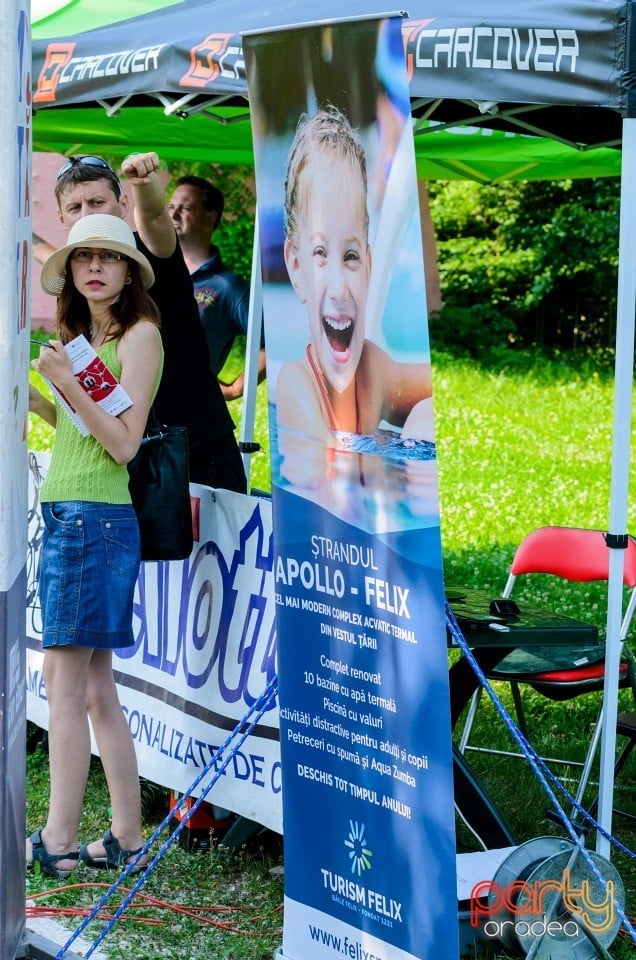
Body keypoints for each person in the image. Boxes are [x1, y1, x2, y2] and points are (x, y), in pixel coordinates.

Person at [26, 214, 163, 878]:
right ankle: (129, 837)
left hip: (93, 519)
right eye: (84, 259)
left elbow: (124, 443)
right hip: (74, 513)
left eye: (109, 257)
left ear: (130, 270)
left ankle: (57, 842)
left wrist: (68, 378)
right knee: (92, 688)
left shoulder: (140, 337)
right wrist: (35, 390)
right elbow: (80, 428)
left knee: (64, 683)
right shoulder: (82, 337)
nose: (94, 268)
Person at [36, 153, 247, 493]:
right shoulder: (75, 292)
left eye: (97, 202)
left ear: (122, 204)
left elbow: (152, 215)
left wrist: (144, 183)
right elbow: (87, 419)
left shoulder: (147, 250)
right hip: (128, 465)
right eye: (76, 208)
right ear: (62, 217)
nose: (88, 215)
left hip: (198, 446)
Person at [278, 106, 433, 449]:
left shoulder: (372, 367)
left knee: (425, 417)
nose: (339, 289)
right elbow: (330, 473)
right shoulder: (295, 383)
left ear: (368, 266)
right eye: (320, 253)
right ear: (296, 266)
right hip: (325, 496)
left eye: (350, 257)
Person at [167, 174, 266, 401]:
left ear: (210, 218)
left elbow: (269, 345)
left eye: (185, 208)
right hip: (138, 412)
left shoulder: (229, 287)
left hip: (189, 414)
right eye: (171, 206)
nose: (173, 214)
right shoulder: (154, 272)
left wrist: (235, 389)